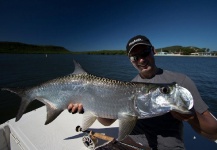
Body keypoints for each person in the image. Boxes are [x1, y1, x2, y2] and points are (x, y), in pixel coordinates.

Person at [68, 35, 217, 149]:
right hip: (129, 143)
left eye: (144, 53)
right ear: (130, 60)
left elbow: (213, 131)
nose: (141, 60)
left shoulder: (179, 83)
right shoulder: (131, 85)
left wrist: (190, 116)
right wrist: (90, 104)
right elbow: (107, 121)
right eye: (135, 57)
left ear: (153, 51)